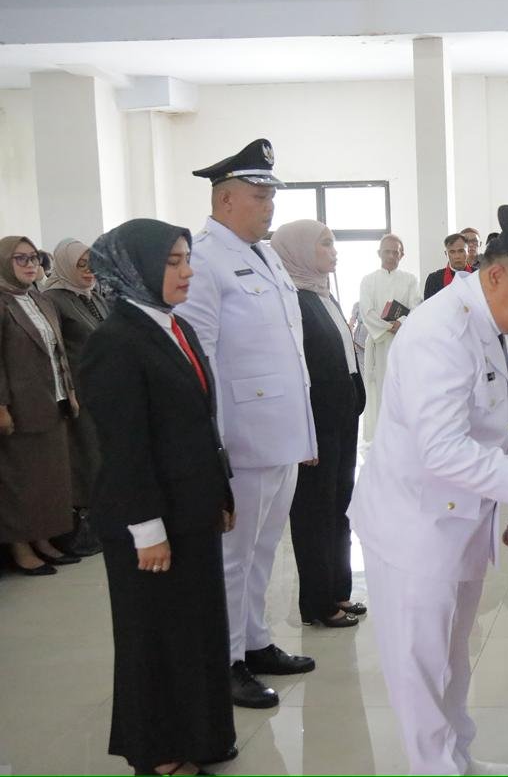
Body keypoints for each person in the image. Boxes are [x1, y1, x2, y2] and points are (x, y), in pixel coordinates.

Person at [350, 205, 508, 775]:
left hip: (458, 519)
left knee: (451, 662)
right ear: (495, 276)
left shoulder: (491, 323)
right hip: (414, 526)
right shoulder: (443, 332)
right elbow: (442, 452)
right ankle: (434, 768)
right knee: (420, 666)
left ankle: (456, 758)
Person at [79, 219, 237, 777]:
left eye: (186, 258)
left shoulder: (176, 327)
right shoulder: (115, 342)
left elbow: (199, 424)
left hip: (190, 509)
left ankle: (203, 733)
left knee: (197, 629)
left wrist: (219, 492)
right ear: (137, 268)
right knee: (155, 636)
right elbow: (123, 448)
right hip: (149, 520)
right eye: (172, 261)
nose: (187, 270)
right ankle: (157, 746)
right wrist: (146, 530)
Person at [176, 138, 319, 709]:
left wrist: (303, 432)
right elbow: (198, 357)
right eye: (260, 197)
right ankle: (226, 658)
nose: (269, 207)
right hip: (239, 437)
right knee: (233, 555)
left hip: (279, 433)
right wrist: (211, 445)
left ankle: (256, 641)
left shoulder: (265, 256)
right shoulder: (205, 259)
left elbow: (286, 351)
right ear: (226, 199)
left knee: (264, 548)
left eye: (270, 197)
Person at [272, 220, 367, 627]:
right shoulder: (290, 301)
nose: (334, 250)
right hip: (315, 425)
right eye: (325, 244)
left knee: (339, 508)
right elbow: (291, 372)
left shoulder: (322, 294)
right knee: (314, 513)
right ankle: (316, 602)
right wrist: (301, 432)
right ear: (299, 251)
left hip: (341, 417)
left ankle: (338, 591)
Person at [0, 236, 77, 575]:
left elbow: (60, 352)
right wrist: (1, 406)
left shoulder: (41, 300)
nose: (31, 264)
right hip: (19, 407)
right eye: (21, 259)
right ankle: (21, 546)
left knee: (49, 480)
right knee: (21, 481)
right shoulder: (2, 304)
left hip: (53, 401)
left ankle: (44, 539)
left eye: (35, 258)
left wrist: (70, 393)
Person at [42, 237, 111, 556]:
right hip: (79, 391)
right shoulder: (54, 298)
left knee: (106, 455)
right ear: (67, 265)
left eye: (91, 264)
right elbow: (54, 350)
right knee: (87, 458)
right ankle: (86, 527)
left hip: (105, 388)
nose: (88, 271)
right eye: (80, 265)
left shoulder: (94, 295)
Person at [359, 233, 422, 443]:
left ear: (402, 255)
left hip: (402, 344)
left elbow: (416, 307)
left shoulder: (410, 280)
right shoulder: (368, 281)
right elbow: (366, 311)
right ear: (379, 253)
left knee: (403, 390)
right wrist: (389, 326)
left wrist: (402, 324)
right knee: (378, 390)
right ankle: (380, 438)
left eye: (396, 252)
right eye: (387, 251)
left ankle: (404, 438)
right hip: (378, 344)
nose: (391, 256)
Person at [424, 233, 474, 300]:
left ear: (468, 251)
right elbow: (428, 308)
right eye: (452, 252)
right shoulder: (433, 279)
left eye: (461, 251)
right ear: (446, 254)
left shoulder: (479, 275)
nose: (457, 256)